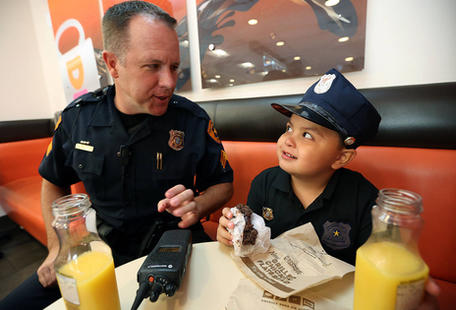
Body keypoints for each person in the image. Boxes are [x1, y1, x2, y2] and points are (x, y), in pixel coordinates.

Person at [0, 1, 233, 309]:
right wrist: (58, 247)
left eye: (174, 67)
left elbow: (223, 184)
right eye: (152, 66)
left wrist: (198, 204)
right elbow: (52, 181)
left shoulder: (193, 121)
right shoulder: (77, 120)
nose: (169, 82)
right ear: (113, 64)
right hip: (102, 249)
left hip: (175, 244)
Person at [217, 68, 440, 309]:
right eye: (289, 128)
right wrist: (232, 232)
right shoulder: (264, 182)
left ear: (341, 158)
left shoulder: (364, 199)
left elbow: (384, 262)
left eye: (307, 135)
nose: (288, 140)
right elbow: (250, 236)